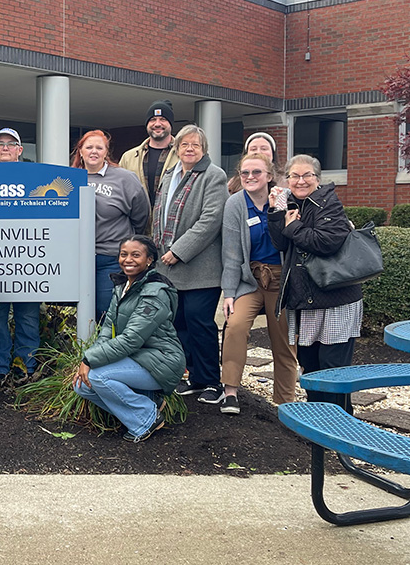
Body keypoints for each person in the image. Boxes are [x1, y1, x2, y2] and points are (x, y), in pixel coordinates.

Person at [268, 154, 362, 411]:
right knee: (310, 365)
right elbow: (279, 243)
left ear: (317, 179)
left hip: (335, 299)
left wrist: (293, 228)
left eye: (307, 175)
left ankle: (338, 424)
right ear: (286, 179)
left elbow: (326, 242)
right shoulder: (288, 203)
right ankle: (318, 421)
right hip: (306, 298)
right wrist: (276, 213)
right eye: (294, 176)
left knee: (333, 369)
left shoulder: (328, 203)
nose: (300, 181)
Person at [73, 235, 185, 443]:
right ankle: (149, 401)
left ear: (149, 260)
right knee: (82, 385)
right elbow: (108, 330)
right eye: (123, 254)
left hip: (162, 362)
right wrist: (88, 359)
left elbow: (131, 339)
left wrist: (89, 360)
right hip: (140, 358)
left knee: (98, 377)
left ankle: (146, 418)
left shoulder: (154, 293)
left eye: (136, 255)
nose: (128, 260)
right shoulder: (123, 287)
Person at [152, 124, 228, 404]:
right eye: (185, 145)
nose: (190, 149)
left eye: (196, 145)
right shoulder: (170, 175)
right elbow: (158, 213)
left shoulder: (213, 175)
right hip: (168, 266)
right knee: (179, 322)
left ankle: (212, 381)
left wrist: (178, 250)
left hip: (200, 269)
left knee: (199, 322)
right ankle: (195, 377)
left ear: (204, 149)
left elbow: (210, 221)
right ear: (177, 148)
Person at [219, 153, 298, 415]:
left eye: (256, 172)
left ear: (269, 176)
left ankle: (285, 401)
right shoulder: (235, 204)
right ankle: (230, 391)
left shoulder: (286, 199)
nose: (250, 177)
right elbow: (231, 253)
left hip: (281, 279)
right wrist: (229, 293)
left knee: (284, 338)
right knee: (235, 325)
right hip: (249, 279)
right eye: (245, 173)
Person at [71, 130, 150, 323]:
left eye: (99, 147)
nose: (94, 151)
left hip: (111, 258)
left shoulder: (125, 178)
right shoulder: (69, 178)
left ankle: (107, 351)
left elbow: (141, 216)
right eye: (89, 147)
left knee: (106, 311)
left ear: (107, 152)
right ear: (80, 151)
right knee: (77, 313)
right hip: (77, 258)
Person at [0, 128, 41, 381]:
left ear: (20, 150)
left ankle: (26, 367)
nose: (5, 147)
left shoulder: (34, 176)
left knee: (28, 317)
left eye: (11, 144)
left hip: (28, 261)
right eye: (0, 144)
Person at [119, 100, 178, 207]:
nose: (157, 124)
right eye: (153, 119)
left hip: (171, 221)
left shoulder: (183, 156)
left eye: (163, 119)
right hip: (137, 222)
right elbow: (119, 191)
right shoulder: (128, 157)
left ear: (170, 123)